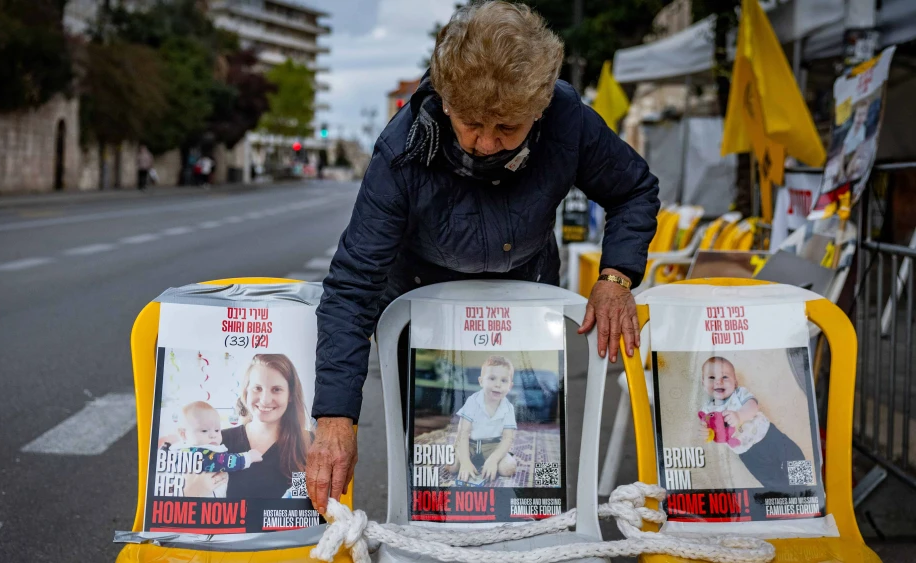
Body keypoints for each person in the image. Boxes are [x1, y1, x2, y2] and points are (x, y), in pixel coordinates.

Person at [306, 1, 660, 514]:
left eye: (508, 129)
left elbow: (633, 190)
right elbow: (352, 286)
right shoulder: (403, 149)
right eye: (471, 124)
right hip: (423, 304)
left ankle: (529, 533)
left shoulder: (567, 121)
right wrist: (335, 419)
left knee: (529, 453)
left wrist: (615, 277)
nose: (486, 144)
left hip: (525, 299)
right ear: (447, 102)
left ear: (537, 111)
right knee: (439, 460)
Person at [184, 354, 311, 499]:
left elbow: (305, 508)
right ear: (246, 391)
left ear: (290, 396)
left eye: (276, 389)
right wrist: (190, 492)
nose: (265, 400)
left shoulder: (308, 445)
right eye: (257, 388)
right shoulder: (216, 442)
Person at [697, 356, 806, 488]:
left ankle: (805, 488)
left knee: (795, 454)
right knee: (769, 479)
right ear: (703, 384)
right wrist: (705, 432)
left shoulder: (739, 393)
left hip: (768, 434)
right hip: (748, 453)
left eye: (725, 377)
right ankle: (789, 494)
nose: (718, 382)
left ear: (735, 382)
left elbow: (753, 405)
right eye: (712, 378)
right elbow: (707, 430)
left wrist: (739, 415)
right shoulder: (708, 410)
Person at [162, 400, 263, 498]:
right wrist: (248, 457)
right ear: (183, 434)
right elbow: (224, 461)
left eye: (217, 430)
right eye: (204, 430)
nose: (213, 435)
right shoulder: (198, 452)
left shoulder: (181, 450)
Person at [447, 356, 518, 484]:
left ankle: (488, 463)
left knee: (508, 469)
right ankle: (470, 462)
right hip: (469, 444)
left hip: (493, 445)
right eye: (492, 378)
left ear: (510, 386)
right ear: (481, 381)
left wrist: (493, 460)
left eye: (504, 380)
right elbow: (463, 433)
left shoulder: (508, 408)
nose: (497, 384)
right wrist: (465, 461)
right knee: (452, 466)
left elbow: (508, 438)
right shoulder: (472, 402)